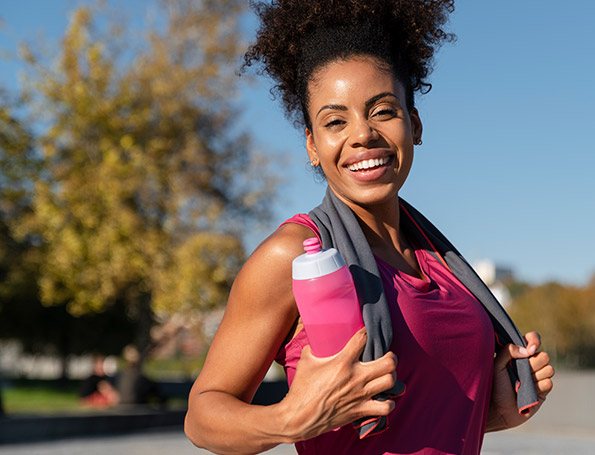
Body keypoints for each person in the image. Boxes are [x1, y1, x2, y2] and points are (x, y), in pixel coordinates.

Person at [184, 1, 554, 454]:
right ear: (313, 146)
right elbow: (202, 415)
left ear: (413, 123)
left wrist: (492, 410)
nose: (362, 135)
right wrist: (290, 418)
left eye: (382, 111)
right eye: (335, 121)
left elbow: (417, 421)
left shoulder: (442, 260)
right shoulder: (298, 255)